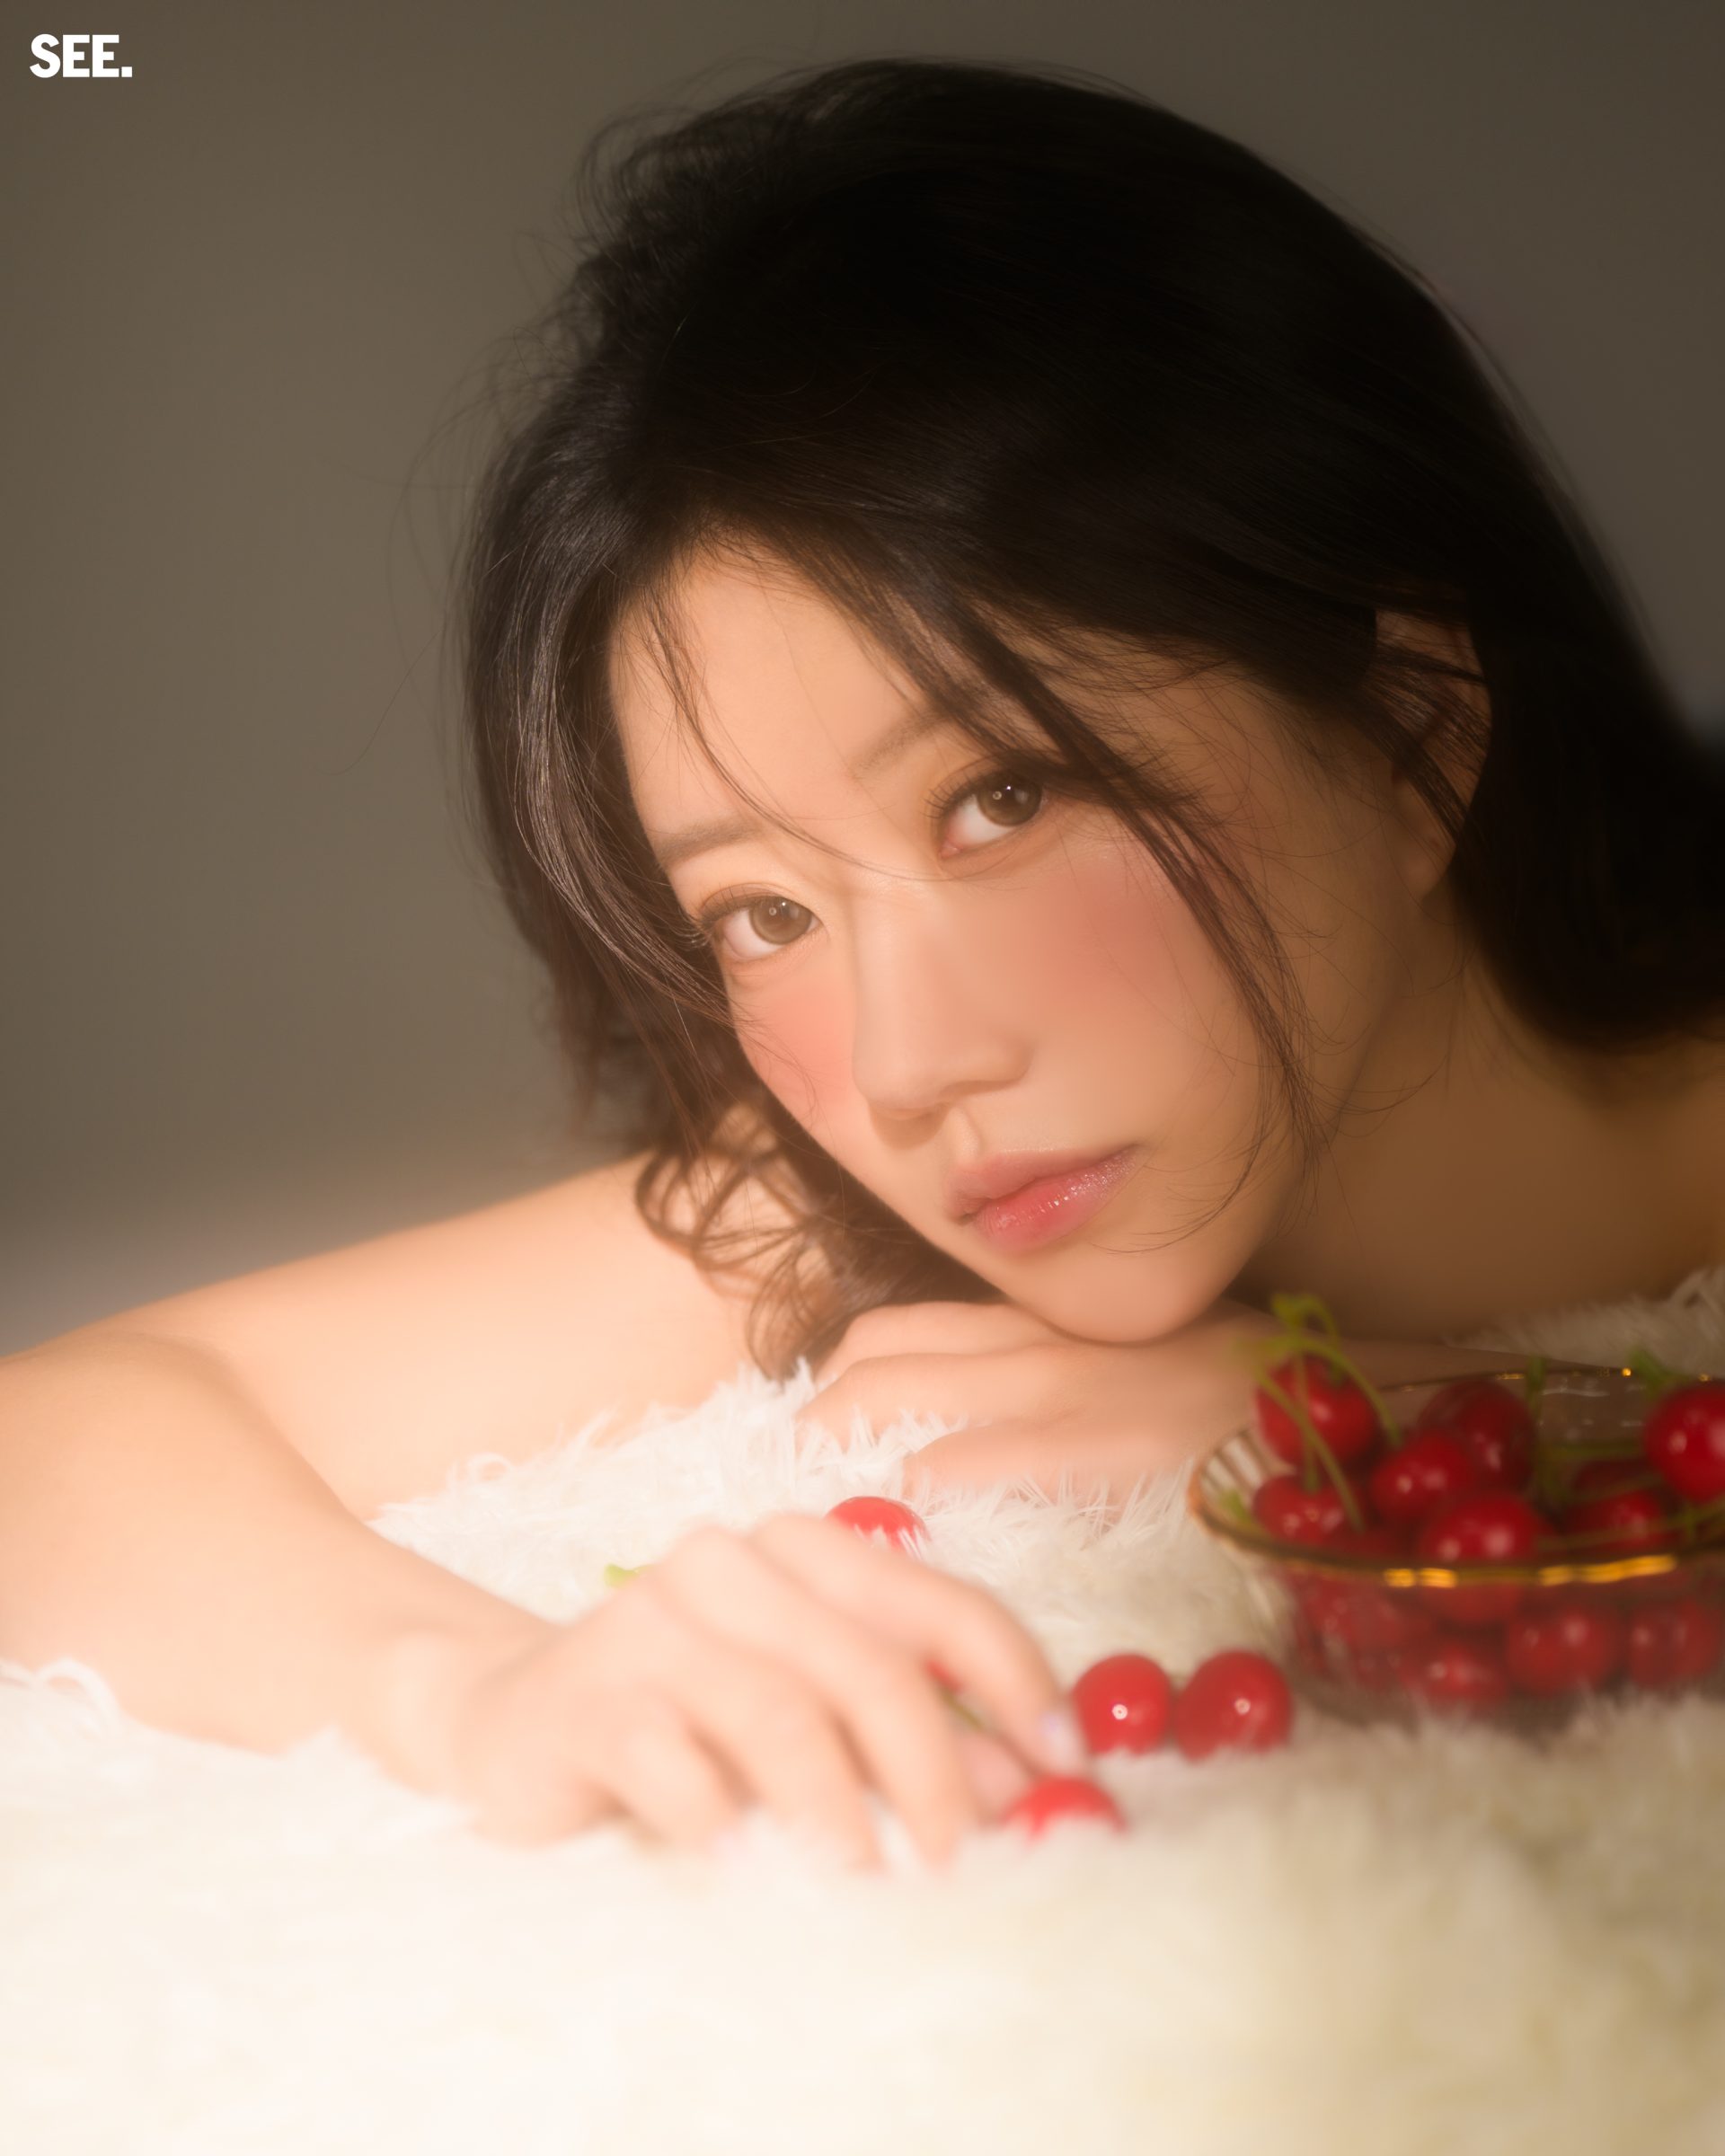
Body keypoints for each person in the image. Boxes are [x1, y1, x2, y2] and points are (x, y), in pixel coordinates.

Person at [4, 57, 1722, 1873]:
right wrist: (481, 1690)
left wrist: (1443, 1415)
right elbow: (59, 1436)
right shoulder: (832, 1203)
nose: (906, 1064)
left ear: (1410, 738)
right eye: (763, 913)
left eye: (1003, 798)